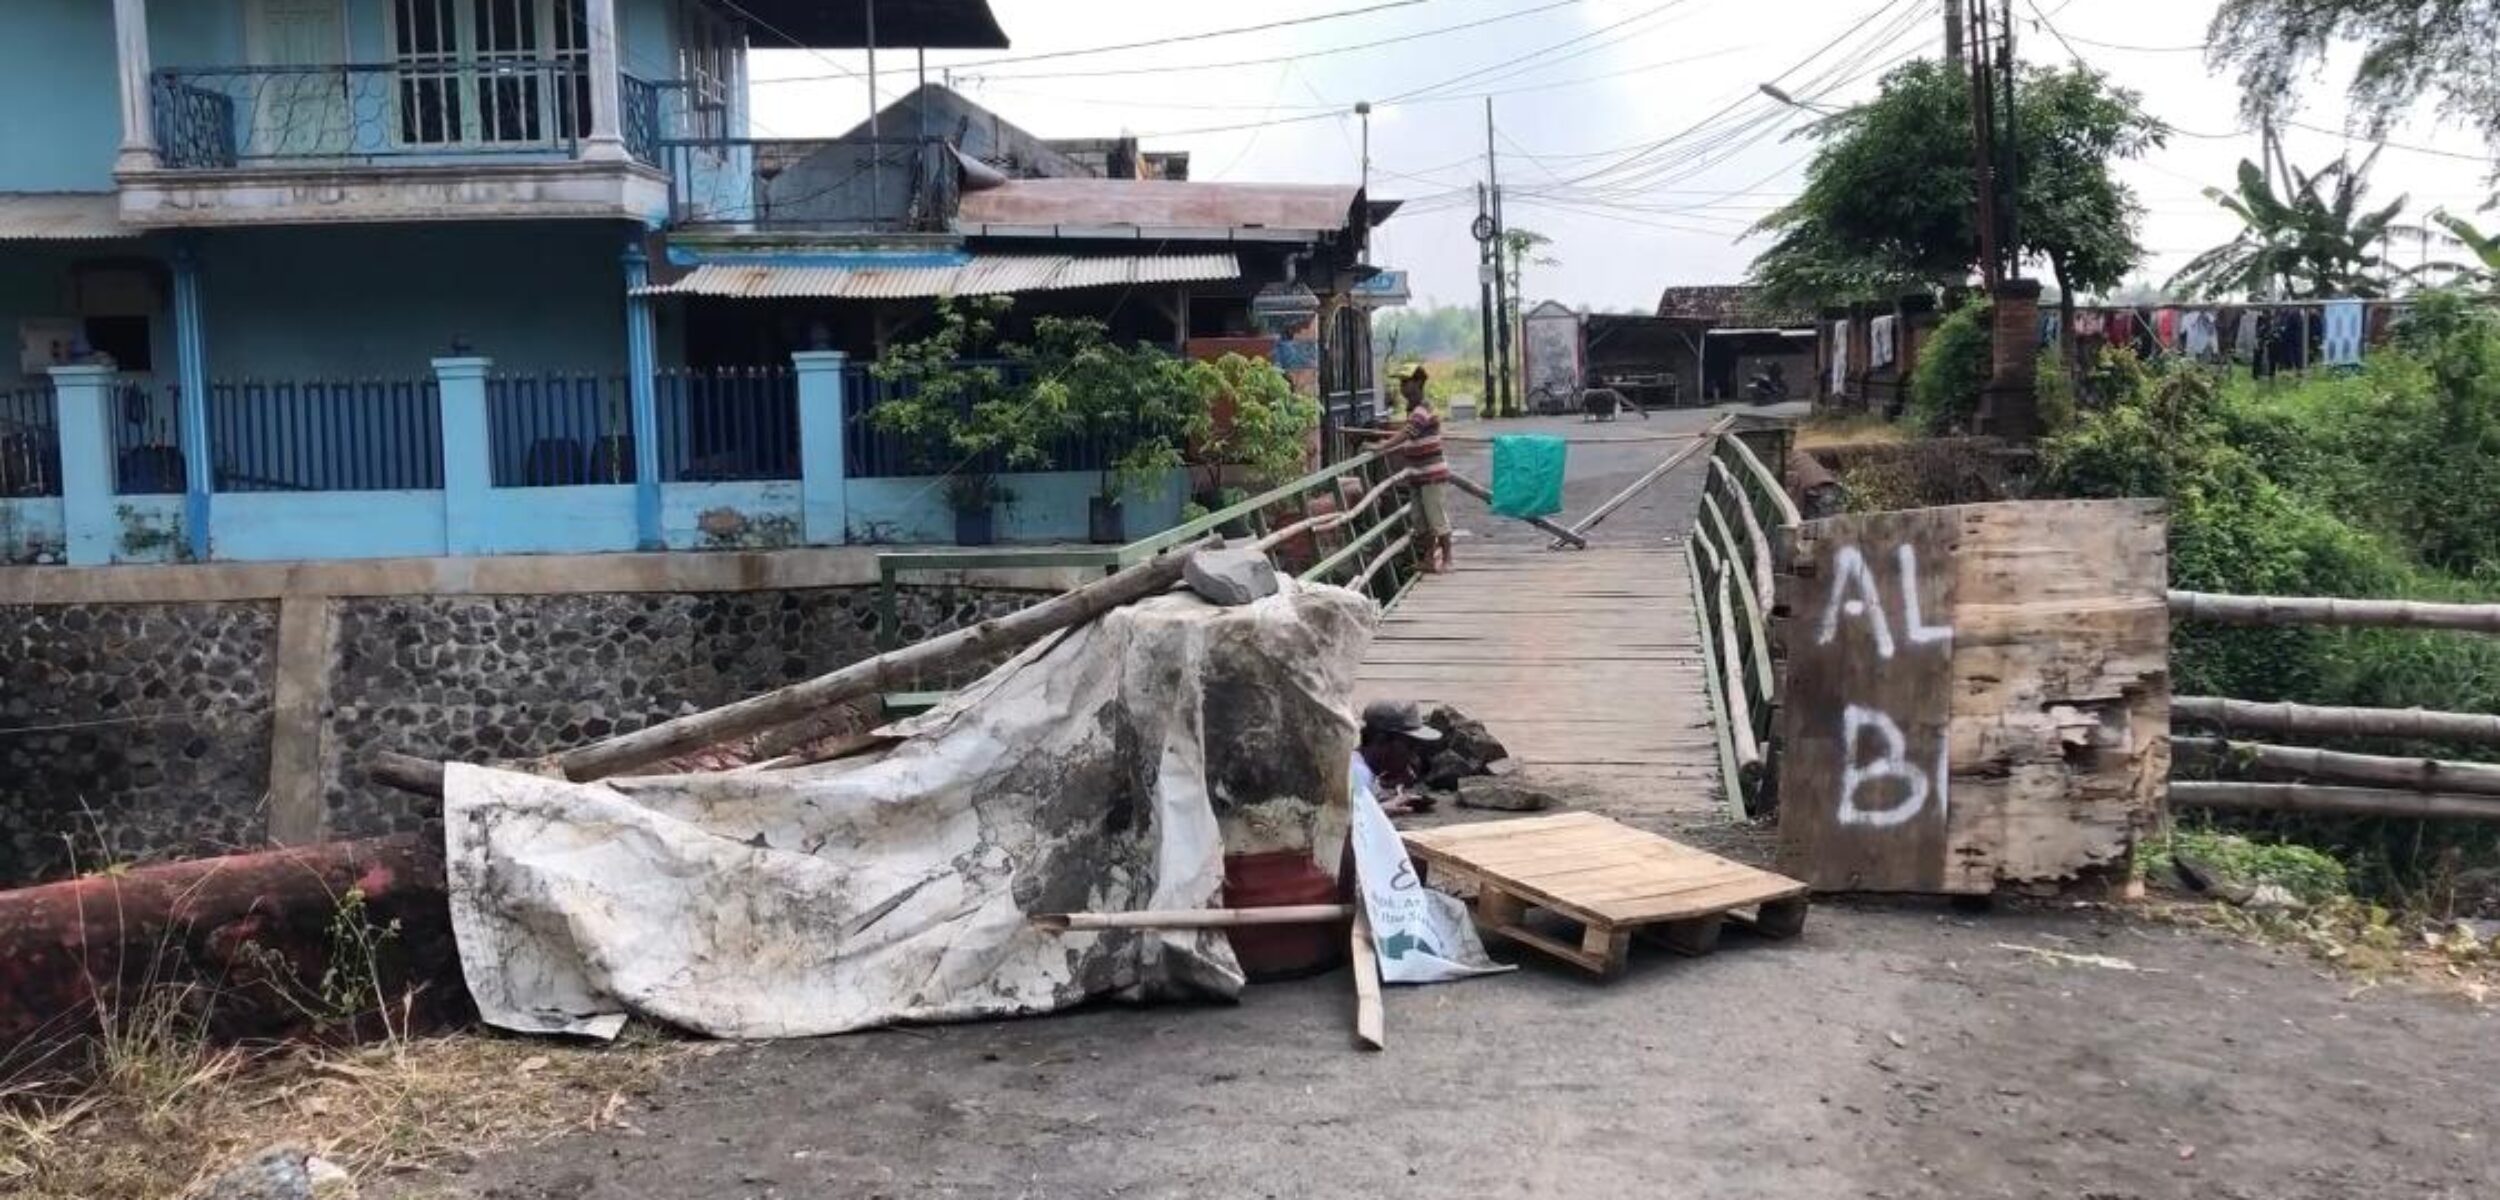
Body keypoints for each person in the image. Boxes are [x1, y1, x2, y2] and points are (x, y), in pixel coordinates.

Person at [1362, 365, 1454, 573]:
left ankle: (1448, 559)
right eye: (1401, 383)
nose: (1403, 387)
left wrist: (1382, 446)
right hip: (1417, 473)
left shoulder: (1423, 408)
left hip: (1431, 473)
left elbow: (1408, 433)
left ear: (1419, 383)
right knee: (1421, 521)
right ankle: (1429, 558)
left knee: (1436, 517)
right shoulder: (1412, 409)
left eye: (1407, 382)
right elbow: (1408, 433)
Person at [1354, 699, 1442, 816]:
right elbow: (1339, 826)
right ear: (1381, 739)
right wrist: (1380, 811)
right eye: (1410, 746)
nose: (1414, 755)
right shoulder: (1358, 773)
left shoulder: (1365, 768)